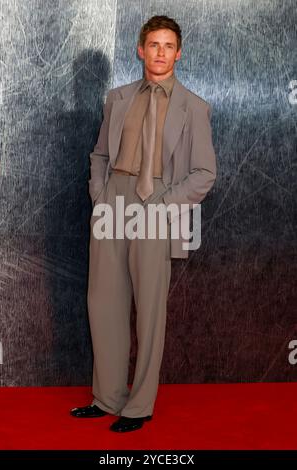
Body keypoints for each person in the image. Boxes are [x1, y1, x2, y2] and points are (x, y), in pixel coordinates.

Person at [71, 15, 217, 433]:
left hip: (156, 206)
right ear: (140, 49)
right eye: (153, 44)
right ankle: (107, 397)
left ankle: (139, 405)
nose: (160, 53)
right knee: (103, 302)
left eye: (168, 46)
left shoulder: (194, 107)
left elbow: (205, 173)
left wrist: (165, 204)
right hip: (112, 202)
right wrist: (100, 195)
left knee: (149, 310)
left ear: (179, 52)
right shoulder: (116, 98)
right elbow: (99, 155)